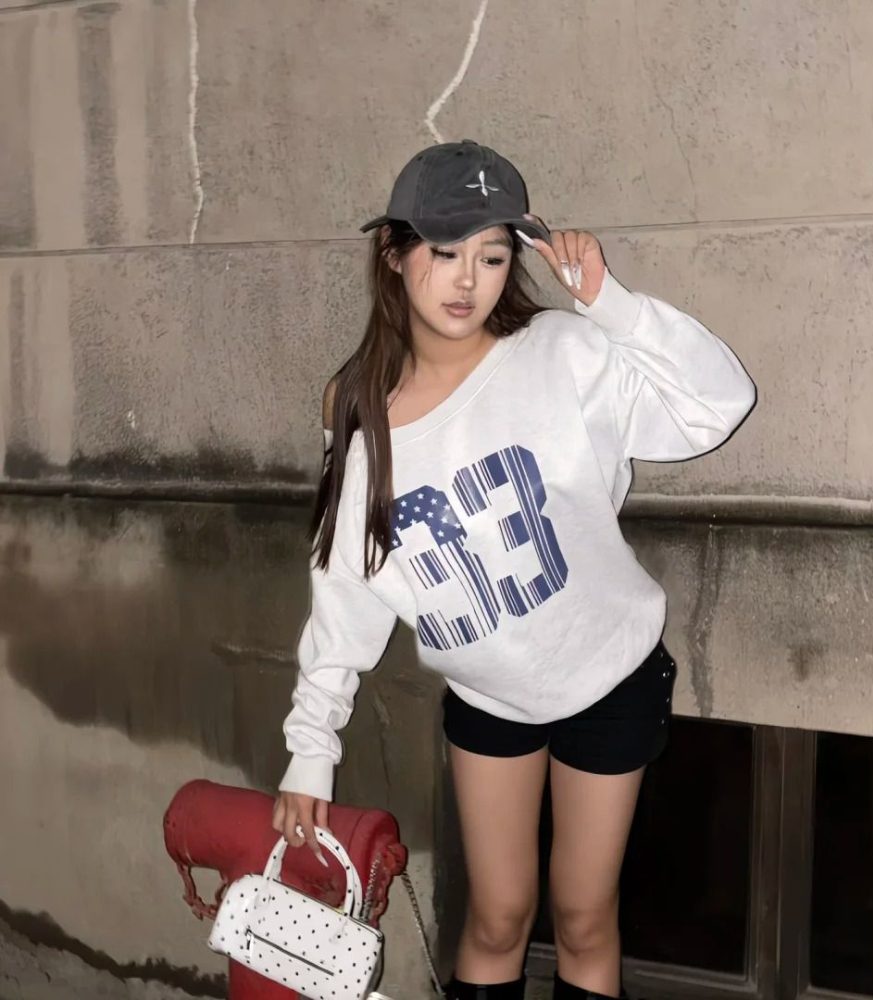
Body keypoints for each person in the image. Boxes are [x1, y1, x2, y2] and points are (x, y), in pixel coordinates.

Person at [271, 140, 756, 1000]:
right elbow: (345, 584)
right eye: (444, 251)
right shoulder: (359, 413)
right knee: (496, 920)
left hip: (607, 674)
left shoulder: (562, 352)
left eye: (493, 256)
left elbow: (719, 404)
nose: (468, 280)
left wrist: (610, 303)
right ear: (394, 252)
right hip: (489, 694)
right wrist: (312, 746)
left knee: (583, 919)